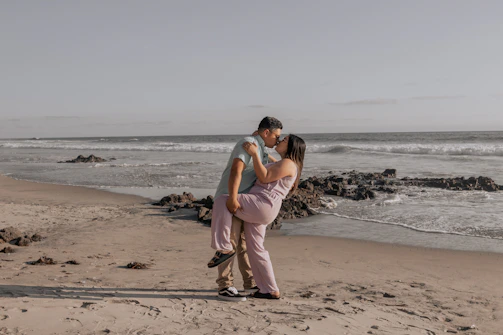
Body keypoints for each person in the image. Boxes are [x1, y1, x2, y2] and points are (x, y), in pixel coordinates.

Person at [209, 134, 306, 299]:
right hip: (262, 207)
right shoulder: (283, 163)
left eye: (284, 140)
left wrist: (254, 154)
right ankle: (269, 289)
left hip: (261, 204)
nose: (280, 140)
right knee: (256, 249)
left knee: (223, 199)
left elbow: (265, 176)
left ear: (292, 146)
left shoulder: (288, 164)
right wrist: (259, 147)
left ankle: (224, 247)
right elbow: (267, 163)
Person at [210, 117, 283, 302]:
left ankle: (249, 283)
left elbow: (268, 166)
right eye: (276, 136)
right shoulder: (247, 143)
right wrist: (233, 198)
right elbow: (236, 170)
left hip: (247, 200)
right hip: (232, 197)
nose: (277, 141)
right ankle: (224, 286)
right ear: (266, 132)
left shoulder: (259, 148)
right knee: (231, 242)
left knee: (243, 244)